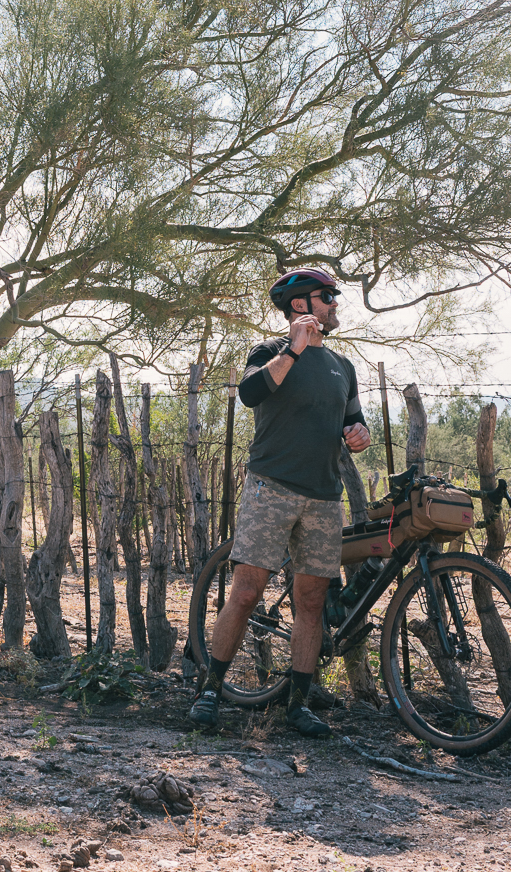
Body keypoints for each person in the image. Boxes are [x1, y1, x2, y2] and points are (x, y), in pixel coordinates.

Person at [190, 267, 371, 737]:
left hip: (324, 497)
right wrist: (293, 349)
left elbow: (354, 421)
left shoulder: (343, 366)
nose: (335, 304)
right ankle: (210, 691)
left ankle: (297, 706)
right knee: (247, 592)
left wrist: (359, 434)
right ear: (300, 305)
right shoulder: (269, 351)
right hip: (270, 487)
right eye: (327, 296)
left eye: (333, 296)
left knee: (311, 602)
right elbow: (250, 394)